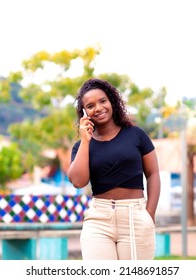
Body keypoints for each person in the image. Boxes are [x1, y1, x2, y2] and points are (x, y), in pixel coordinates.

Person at [68, 78, 160, 260]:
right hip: (99, 220)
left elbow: (153, 174)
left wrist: (149, 214)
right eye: (91, 105)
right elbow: (78, 181)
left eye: (103, 101)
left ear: (111, 101)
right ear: (84, 112)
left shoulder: (136, 135)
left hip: (135, 216)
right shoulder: (81, 147)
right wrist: (86, 140)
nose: (99, 108)